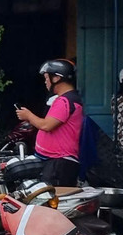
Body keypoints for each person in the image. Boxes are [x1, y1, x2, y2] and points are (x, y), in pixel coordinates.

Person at [16, 59, 83, 187]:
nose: (45, 82)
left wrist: (28, 115)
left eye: (47, 78)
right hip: (55, 162)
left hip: (59, 163)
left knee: (53, 198)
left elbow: (47, 125)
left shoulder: (65, 101)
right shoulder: (67, 99)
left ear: (56, 78)